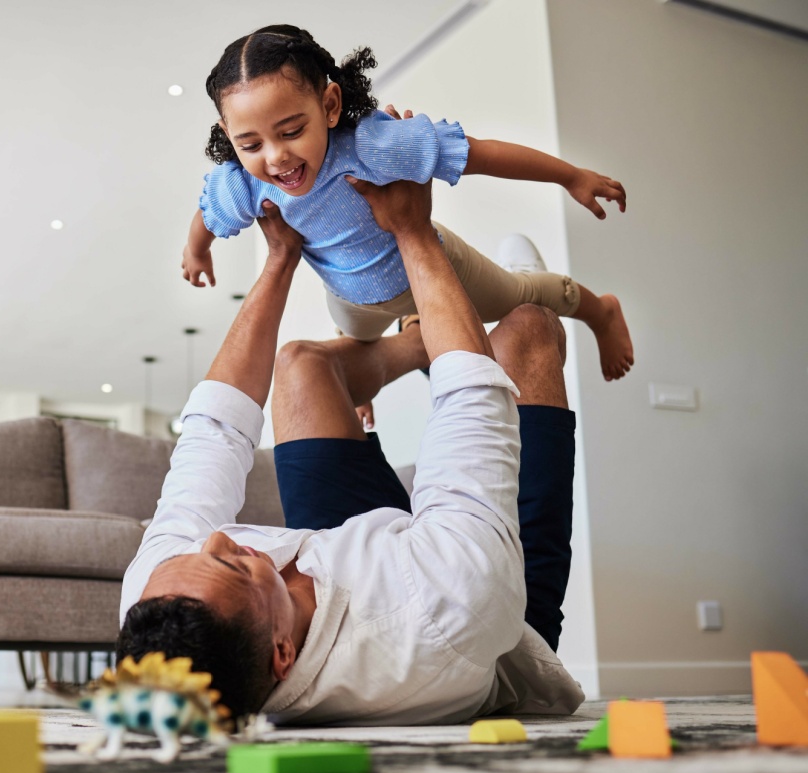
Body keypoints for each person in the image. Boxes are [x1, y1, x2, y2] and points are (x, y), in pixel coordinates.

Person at [119, 175, 584, 726]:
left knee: (301, 365)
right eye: (238, 565)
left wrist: (280, 258)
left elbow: (212, 432)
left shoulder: (159, 599)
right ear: (282, 653)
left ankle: (418, 334)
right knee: (525, 330)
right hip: (494, 609)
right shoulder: (445, 608)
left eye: (197, 554)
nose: (217, 538)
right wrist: (412, 231)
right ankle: (490, 303)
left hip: (338, 552)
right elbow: (472, 399)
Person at [181, 24, 633, 381]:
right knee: (354, 348)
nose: (276, 157)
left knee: (520, 299)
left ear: (330, 106)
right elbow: (207, 216)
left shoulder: (373, 146)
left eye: (292, 131)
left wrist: (570, 176)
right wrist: (196, 251)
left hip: (430, 271)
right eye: (250, 143)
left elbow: (482, 153)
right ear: (229, 136)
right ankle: (368, 383)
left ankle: (598, 310)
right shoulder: (242, 184)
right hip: (348, 298)